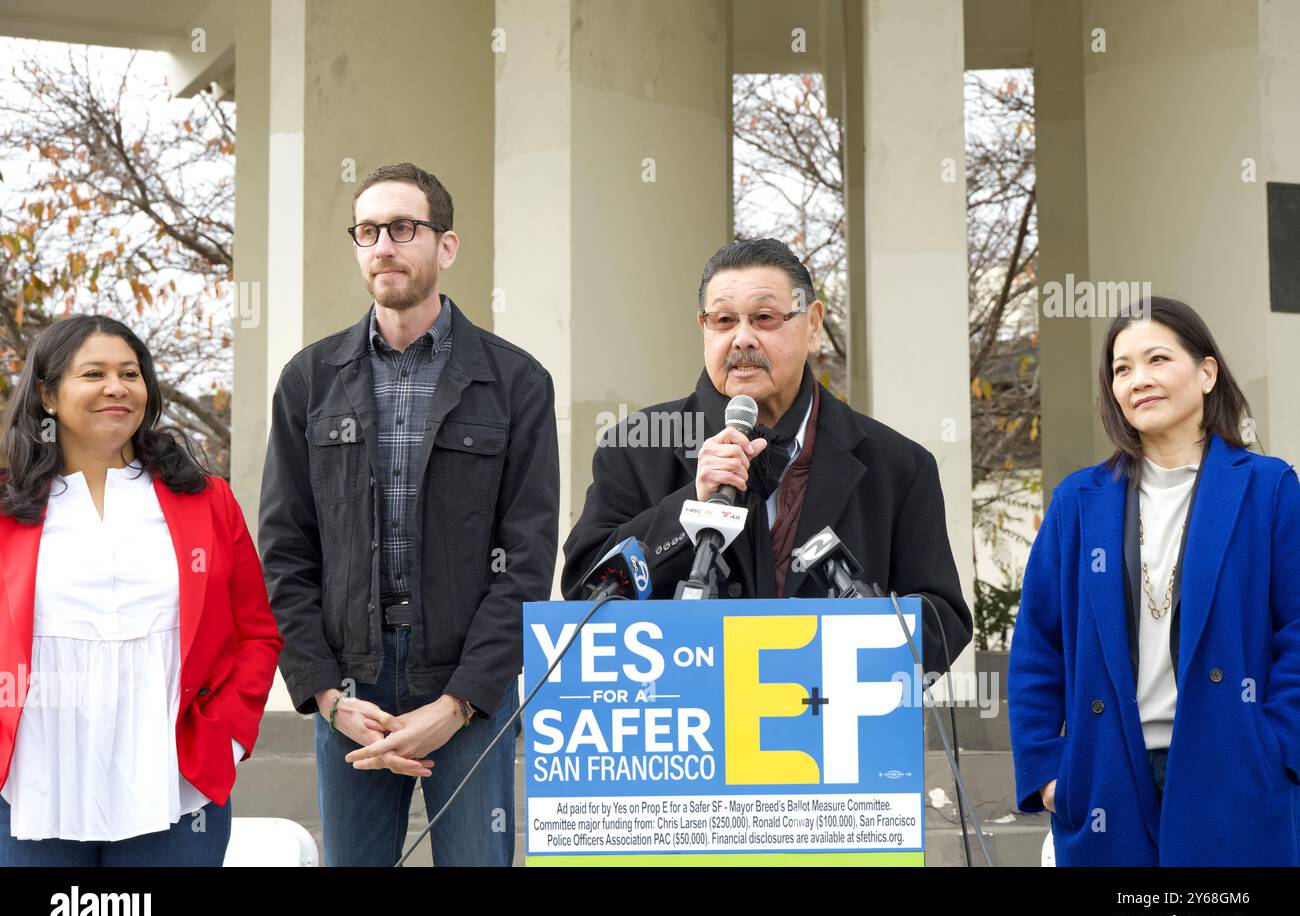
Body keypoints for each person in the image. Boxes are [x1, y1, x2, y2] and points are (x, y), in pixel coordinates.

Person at [259, 162, 559, 867]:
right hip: (350, 685)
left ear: (445, 246)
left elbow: (526, 559)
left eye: (403, 228)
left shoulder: (515, 382)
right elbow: (284, 551)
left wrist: (458, 703)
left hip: (466, 690)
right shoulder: (309, 380)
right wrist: (328, 697)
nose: (383, 246)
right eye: (368, 231)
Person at [562, 238, 971, 677]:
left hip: (827, 724)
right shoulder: (635, 446)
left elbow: (942, 620)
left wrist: (851, 636)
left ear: (812, 325)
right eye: (723, 320)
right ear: (703, 328)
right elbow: (586, 592)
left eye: (764, 318)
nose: (742, 338)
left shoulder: (899, 466)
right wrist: (689, 509)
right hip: (683, 728)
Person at [1009, 297, 1300, 866]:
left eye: (1157, 359)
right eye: (1121, 369)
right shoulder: (1078, 501)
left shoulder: (1269, 489)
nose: (1137, 380)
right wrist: (1049, 772)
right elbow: (1037, 645)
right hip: (1106, 776)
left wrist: (1278, 747)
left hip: (1232, 768)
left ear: (1206, 372)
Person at [0, 315, 282, 865]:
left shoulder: (207, 501)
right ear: (47, 395)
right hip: (30, 785)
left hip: (174, 785)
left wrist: (225, 738)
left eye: (130, 373)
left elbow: (257, 633)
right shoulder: (8, 510)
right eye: (94, 373)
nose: (116, 387)